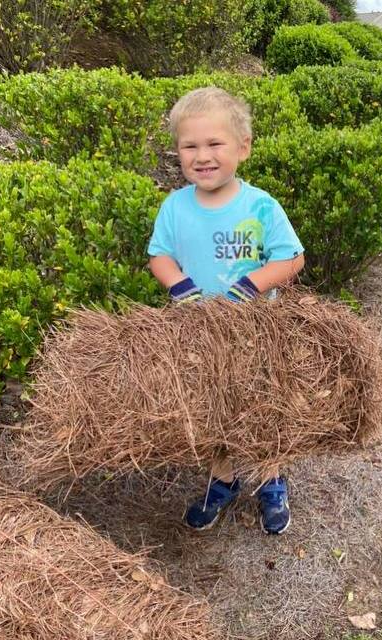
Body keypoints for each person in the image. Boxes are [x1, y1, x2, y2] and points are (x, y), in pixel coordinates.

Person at [147, 87, 304, 535]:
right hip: (201, 337)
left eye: (215, 143)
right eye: (189, 146)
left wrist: (253, 285)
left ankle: (271, 480)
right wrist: (177, 284)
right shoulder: (175, 207)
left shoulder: (260, 205)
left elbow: (292, 258)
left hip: (259, 334)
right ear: (178, 152)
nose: (202, 156)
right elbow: (159, 255)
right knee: (214, 410)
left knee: (263, 407)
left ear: (243, 147)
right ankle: (223, 480)